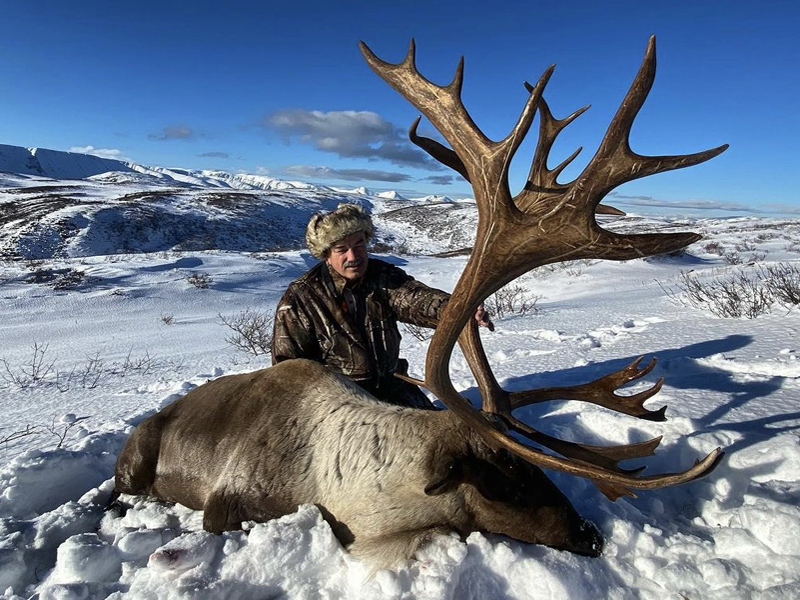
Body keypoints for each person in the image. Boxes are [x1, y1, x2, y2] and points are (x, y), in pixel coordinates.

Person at [272, 203, 492, 409]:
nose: (354, 256)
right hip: (339, 403)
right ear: (327, 255)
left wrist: (459, 309)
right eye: (342, 249)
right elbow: (288, 373)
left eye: (359, 245)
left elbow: (416, 299)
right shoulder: (300, 298)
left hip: (393, 388)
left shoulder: (382, 276)